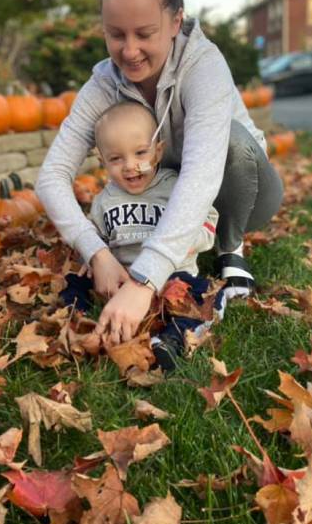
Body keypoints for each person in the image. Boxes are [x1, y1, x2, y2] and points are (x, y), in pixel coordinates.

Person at [36, 0, 284, 345]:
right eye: (116, 34)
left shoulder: (204, 66)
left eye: (144, 33)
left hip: (242, 190)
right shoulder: (104, 83)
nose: (129, 50)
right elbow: (52, 175)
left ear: (175, 22)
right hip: (169, 195)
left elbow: (204, 174)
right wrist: (96, 252)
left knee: (232, 142)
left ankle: (229, 247)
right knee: (130, 165)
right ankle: (175, 243)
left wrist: (143, 280)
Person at [59, 100, 224, 368]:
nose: (130, 165)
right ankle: (76, 322)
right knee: (73, 282)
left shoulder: (176, 188)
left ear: (158, 152)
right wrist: (92, 260)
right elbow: (97, 238)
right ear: (102, 162)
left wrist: (187, 241)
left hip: (173, 276)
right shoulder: (104, 201)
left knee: (200, 296)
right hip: (123, 279)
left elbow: (207, 223)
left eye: (140, 153)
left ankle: (172, 342)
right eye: (116, 158)